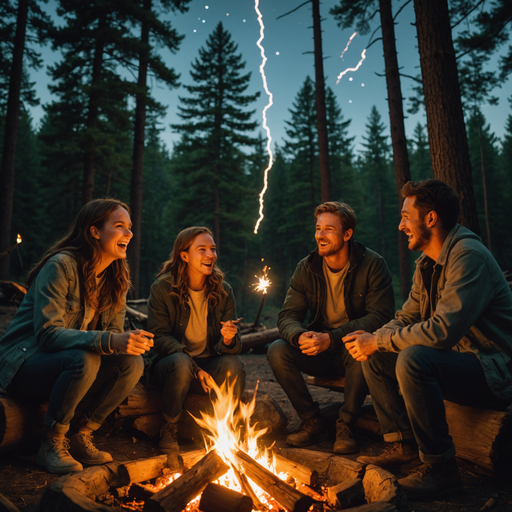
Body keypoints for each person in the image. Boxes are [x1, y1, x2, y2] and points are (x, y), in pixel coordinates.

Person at [344, 179, 512, 499]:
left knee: (413, 359)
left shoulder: (468, 256)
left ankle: (442, 469)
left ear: (430, 219)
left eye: (407, 216)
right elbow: (407, 316)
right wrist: (373, 339)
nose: (400, 224)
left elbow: (441, 331)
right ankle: (404, 445)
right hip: (460, 361)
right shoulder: (428, 264)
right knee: (379, 352)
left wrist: (377, 341)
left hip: (494, 370)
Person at [0, 199, 153, 474]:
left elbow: (115, 337)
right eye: (119, 227)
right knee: (85, 358)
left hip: (68, 369)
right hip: (23, 367)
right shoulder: (60, 266)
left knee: (132, 363)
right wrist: (109, 341)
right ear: (95, 232)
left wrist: (130, 341)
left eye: (130, 228)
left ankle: (81, 434)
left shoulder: (115, 278)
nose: (129, 234)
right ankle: (51, 442)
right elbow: (48, 335)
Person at [267, 202, 395, 453]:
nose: (320, 235)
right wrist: (300, 336)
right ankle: (312, 421)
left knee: (361, 346)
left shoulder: (372, 264)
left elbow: (381, 316)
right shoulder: (307, 267)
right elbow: (288, 316)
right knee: (277, 349)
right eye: (317, 228)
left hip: (349, 346)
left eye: (329, 229)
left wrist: (333, 338)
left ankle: (346, 424)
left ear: (347, 234)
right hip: (320, 350)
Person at [147, 226, 245, 453]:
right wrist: (193, 366)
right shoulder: (163, 288)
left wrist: (229, 339)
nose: (210, 255)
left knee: (233, 364)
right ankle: (170, 427)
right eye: (202, 250)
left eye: (213, 249)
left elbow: (233, 346)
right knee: (181, 363)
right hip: (171, 365)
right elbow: (159, 337)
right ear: (184, 255)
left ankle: (227, 428)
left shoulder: (223, 290)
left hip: (209, 363)